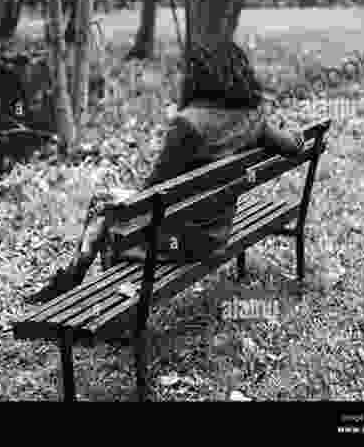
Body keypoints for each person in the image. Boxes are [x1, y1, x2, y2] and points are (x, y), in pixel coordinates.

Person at [26, 39, 306, 304]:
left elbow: (150, 192)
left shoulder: (188, 124)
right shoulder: (251, 115)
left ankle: (88, 286)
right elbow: (292, 144)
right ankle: (79, 279)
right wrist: (294, 132)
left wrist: (116, 211)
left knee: (104, 210)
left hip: (182, 240)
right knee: (107, 209)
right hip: (216, 231)